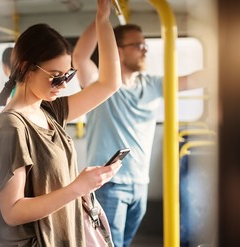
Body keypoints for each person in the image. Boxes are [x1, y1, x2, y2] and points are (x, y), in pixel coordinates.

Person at [0, 0, 122, 245]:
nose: (63, 86)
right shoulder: (11, 127)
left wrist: (102, 19)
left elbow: (109, 84)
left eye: (68, 76)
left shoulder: (50, 110)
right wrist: (77, 187)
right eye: (55, 77)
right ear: (26, 68)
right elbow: (12, 211)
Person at [73, 20, 205, 246]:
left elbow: (191, 80)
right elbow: (80, 58)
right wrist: (101, 19)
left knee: (123, 243)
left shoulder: (152, 84)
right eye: (138, 45)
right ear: (118, 51)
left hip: (140, 182)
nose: (145, 50)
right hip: (109, 184)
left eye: (145, 45)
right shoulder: (102, 85)